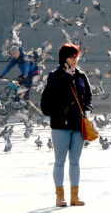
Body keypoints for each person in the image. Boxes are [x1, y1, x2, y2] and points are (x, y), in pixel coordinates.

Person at [40, 43, 92, 207]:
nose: (75, 60)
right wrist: (67, 77)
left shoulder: (81, 75)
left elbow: (88, 96)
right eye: (71, 56)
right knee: (60, 161)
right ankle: (59, 196)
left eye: (76, 56)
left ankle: (75, 196)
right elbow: (53, 94)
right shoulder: (54, 75)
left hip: (78, 125)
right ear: (64, 58)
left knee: (75, 161)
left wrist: (88, 110)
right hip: (60, 125)